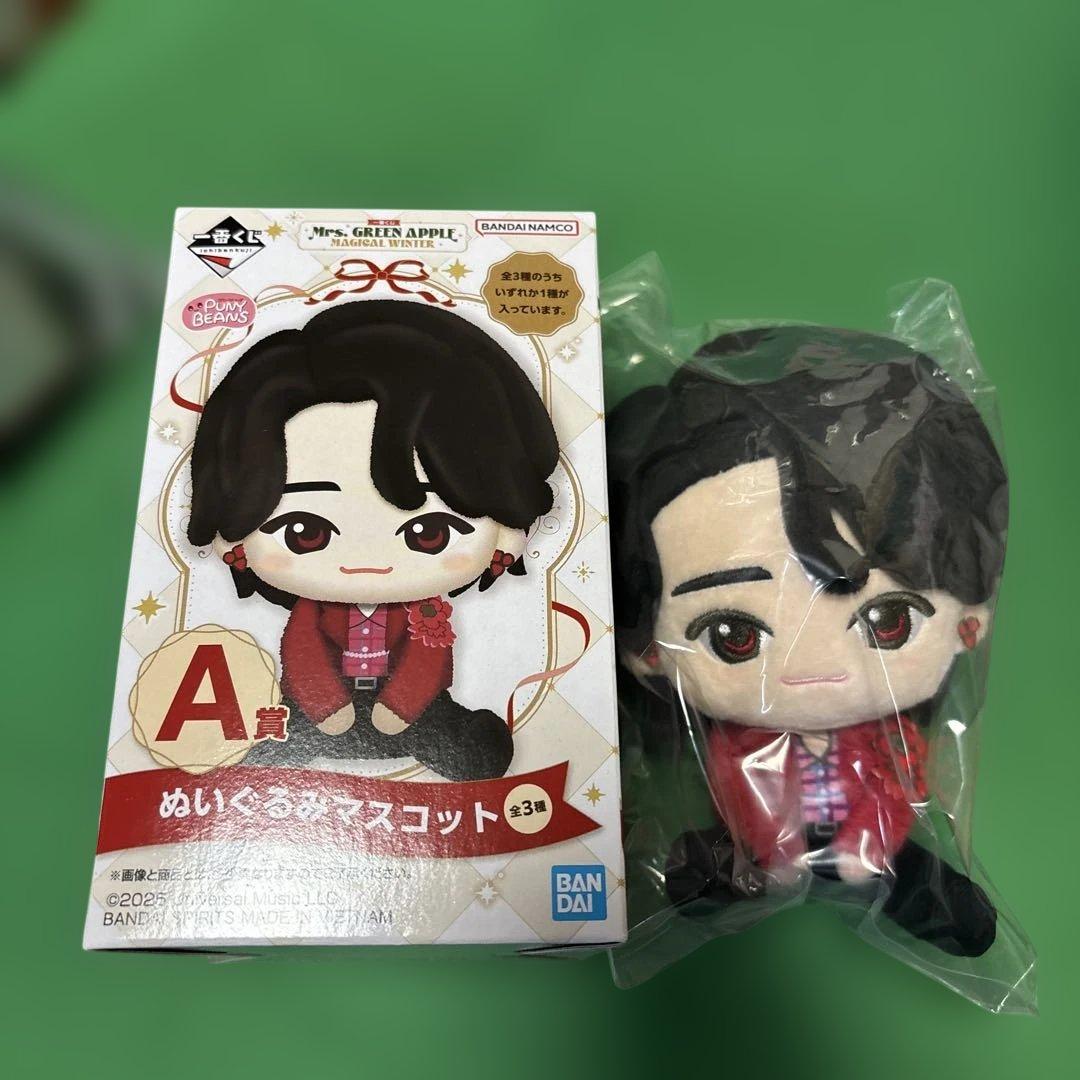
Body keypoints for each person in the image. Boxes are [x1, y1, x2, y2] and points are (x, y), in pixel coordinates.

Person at [608, 326, 1005, 956]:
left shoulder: (891, 741)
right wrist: (775, 849)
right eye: (734, 635)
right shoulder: (739, 747)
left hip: (871, 844)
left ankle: (898, 882)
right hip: (769, 846)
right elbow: (740, 794)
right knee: (707, 862)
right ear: (647, 651)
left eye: (888, 620)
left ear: (970, 623)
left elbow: (899, 792)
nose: (813, 666)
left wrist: (865, 848)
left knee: (912, 877)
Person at [187, 299, 559, 781]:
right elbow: (303, 653)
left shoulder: (427, 614)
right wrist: (326, 707)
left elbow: (427, 660)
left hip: (411, 708)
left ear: (506, 529)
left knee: (450, 736)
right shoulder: (313, 612)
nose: (366, 563)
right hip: (324, 708)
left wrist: (400, 707)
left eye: (428, 533)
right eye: (306, 533)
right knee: (281, 740)